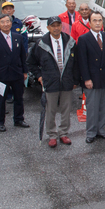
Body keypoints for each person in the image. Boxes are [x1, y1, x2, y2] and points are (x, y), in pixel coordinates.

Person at [27, 16, 78, 147]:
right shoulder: (41, 44)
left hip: (66, 81)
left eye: (58, 25)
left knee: (66, 108)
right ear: (48, 27)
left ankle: (64, 133)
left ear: (61, 26)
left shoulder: (70, 41)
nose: (56, 28)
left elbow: (77, 62)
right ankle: (52, 134)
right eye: (53, 26)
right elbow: (31, 63)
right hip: (50, 82)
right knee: (51, 109)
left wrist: (75, 79)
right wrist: (39, 77)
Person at [77, 11, 105, 143]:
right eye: (95, 20)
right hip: (92, 79)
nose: (98, 23)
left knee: (104, 106)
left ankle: (101, 130)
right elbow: (82, 61)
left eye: (100, 20)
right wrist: (86, 79)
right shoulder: (83, 39)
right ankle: (91, 132)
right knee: (92, 108)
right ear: (89, 22)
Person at [0, 13, 29, 132]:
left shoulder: (18, 37)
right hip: (1, 74)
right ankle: (0, 122)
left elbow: (22, 56)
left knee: (19, 98)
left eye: (7, 21)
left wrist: (24, 71)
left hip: (17, 72)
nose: (6, 24)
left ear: (11, 23)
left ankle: (19, 119)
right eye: (3, 22)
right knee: (0, 100)